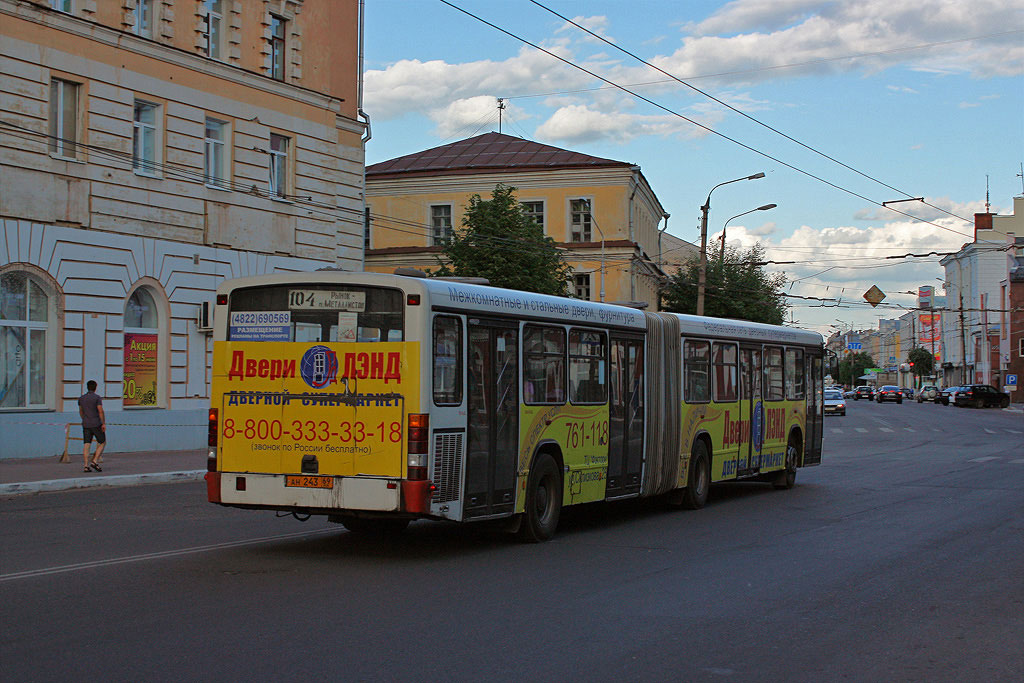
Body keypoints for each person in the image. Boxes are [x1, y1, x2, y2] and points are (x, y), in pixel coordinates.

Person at [78, 380, 106, 472]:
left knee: (86, 444)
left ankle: (86, 466)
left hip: (86, 424)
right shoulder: (97, 398)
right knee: (102, 442)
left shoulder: (81, 398)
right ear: (95, 387)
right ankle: (94, 460)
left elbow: (81, 411)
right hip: (96, 423)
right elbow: (100, 411)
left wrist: (84, 419)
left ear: (87, 387)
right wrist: (103, 423)